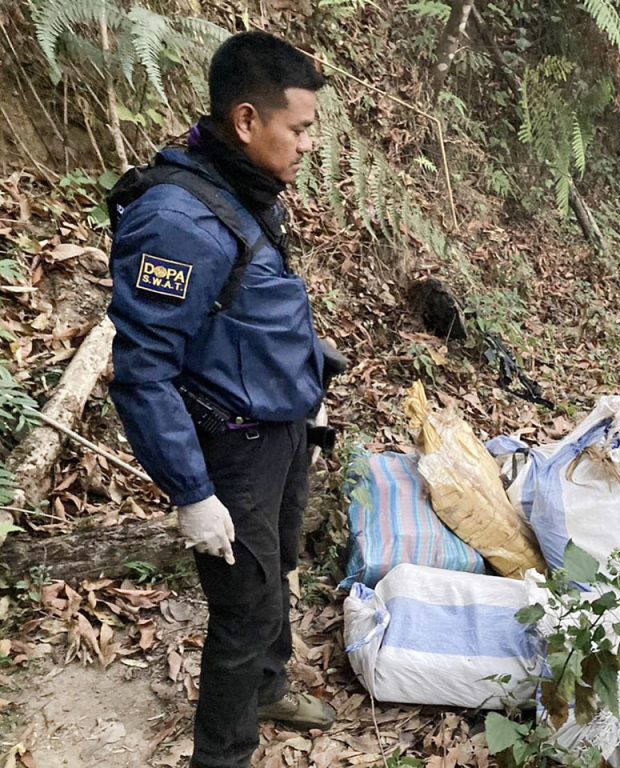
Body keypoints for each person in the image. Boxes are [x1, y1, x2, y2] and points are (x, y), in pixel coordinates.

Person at [106, 31, 335, 768]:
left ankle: (266, 690)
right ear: (245, 120)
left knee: (278, 571)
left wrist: (309, 386)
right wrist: (191, 493)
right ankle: (223, 755)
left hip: (281, 427)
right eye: (298, 128)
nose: (308, 145)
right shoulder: (177, 224)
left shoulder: (247, 187)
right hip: (230, 447)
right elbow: (142, 372)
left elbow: (257, 311)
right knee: (245, 607)